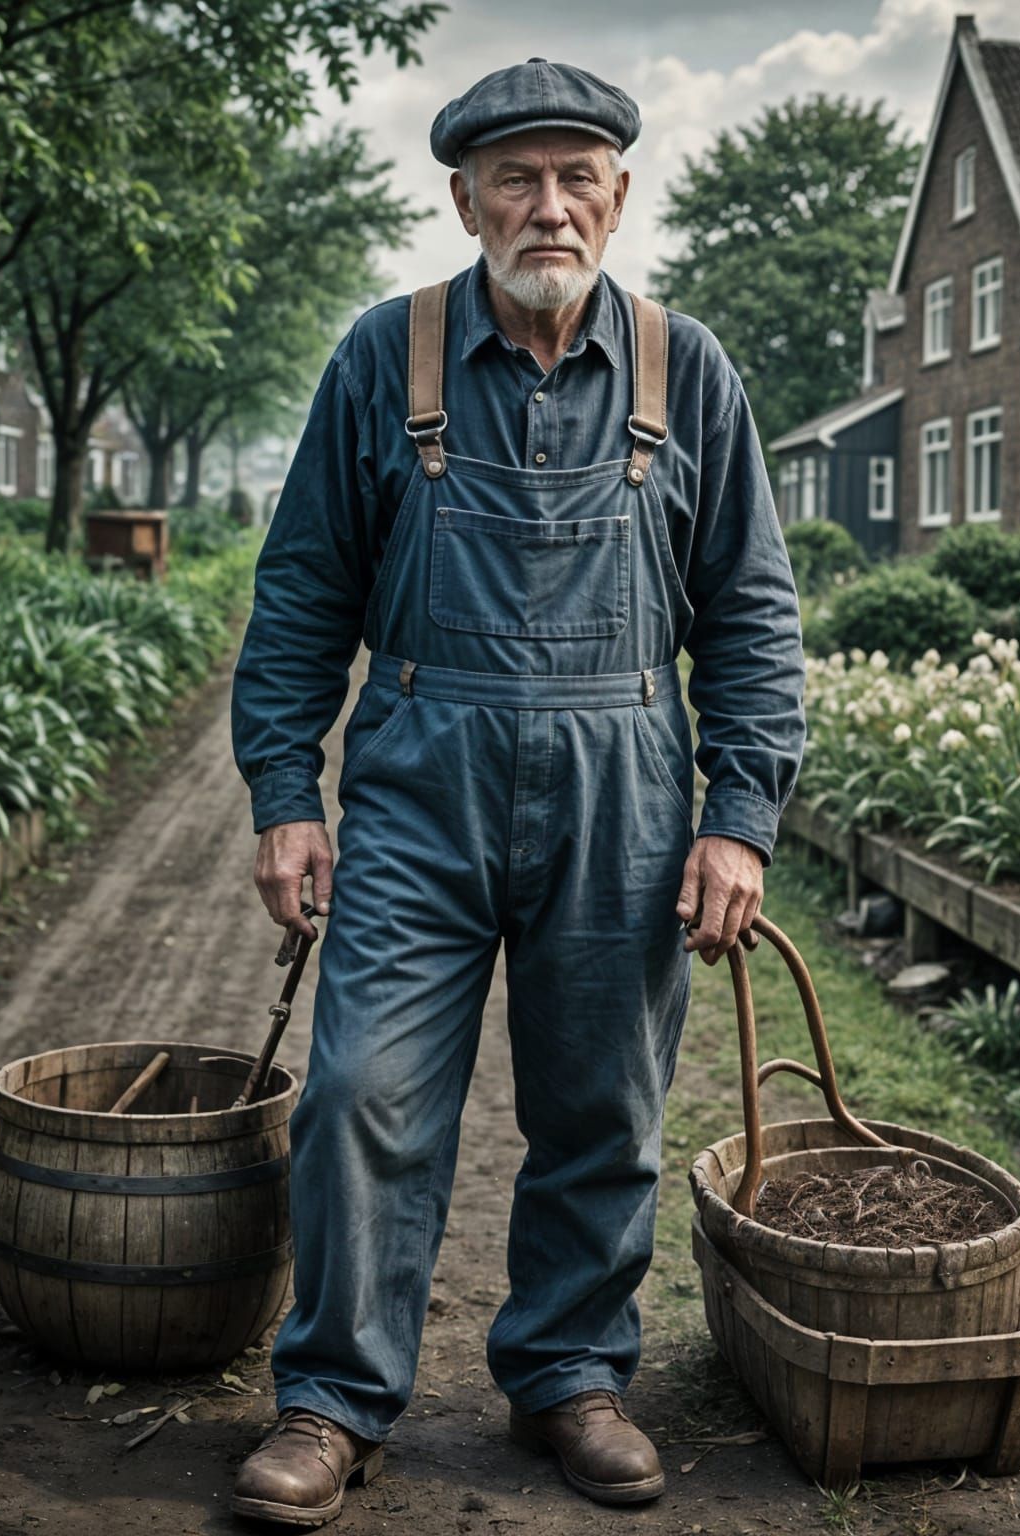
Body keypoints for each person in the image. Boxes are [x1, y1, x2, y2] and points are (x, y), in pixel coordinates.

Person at [228, 57, 806, 1528]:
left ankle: (570, 1375)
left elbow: (751, 614)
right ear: (465, 198)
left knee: (604, 1106)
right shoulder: (388, 356)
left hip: (626, 792)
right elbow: (302, 591)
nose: (549, 206)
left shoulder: (686, 370)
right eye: (517, 179)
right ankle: (333, 1396)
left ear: (618, 196)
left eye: (575, 179)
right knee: (362, 1089)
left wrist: (739, 819)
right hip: (423, 783)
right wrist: (286, 790)